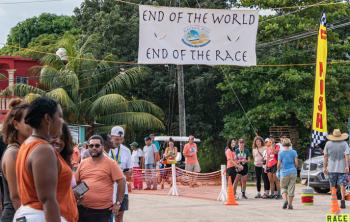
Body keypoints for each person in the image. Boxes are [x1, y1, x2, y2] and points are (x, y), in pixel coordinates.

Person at [14, 97, 78, 222]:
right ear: (47, 119)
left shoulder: (27, 144)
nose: (62, 121)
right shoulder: (43, 149)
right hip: (42, 216)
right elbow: (48, 199)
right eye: (59, 116)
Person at [75, 135, 125, 222]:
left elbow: (122, 181)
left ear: (102, 147)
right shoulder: (83, 163)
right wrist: (78, 196)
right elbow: (78, 182)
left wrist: (118, 203)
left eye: (97, 145)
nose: (94, 148)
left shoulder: (111, 163)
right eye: (91, 146)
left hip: (102, 212)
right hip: (83, 209)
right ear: (88, 147)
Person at [1, 99, 32, 222]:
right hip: (16, 215)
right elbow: (16, 197)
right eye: (28, 120)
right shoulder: (13, 152)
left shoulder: (24, 150)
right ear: (16, 124)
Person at [109, 126, 131, 222]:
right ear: (111, 137)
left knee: (119, 216)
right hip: (108, 189)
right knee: (107, 216)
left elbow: (130, 173)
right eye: (116, 139)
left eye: (121, 139)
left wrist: (128, 173)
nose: (119, 141)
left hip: (122, 189)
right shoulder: (105, 150)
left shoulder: (127, 151)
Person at [323, 129, 350, 209]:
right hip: (342, 168)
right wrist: (347, 166)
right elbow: (347, 155)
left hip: (331, 168)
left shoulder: (328, 144)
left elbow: (325, 156)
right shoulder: (344, 143)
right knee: (342, 185)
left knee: (333, 185)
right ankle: (342, 200)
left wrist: (324, 167)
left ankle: (334, 201)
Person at [50, 123, 75, 187]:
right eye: (54, 136)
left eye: (62, 138)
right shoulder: (41, 160)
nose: (58, 141)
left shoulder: (64, 159)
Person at [277, 138, 298, 210]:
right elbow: (296, 163)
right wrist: (294, 168)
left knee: (283, 187)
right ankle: (290, 204)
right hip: (293, 172)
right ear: (290, 144)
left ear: (283, 144)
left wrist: (277, 171)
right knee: (291, 188)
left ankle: (285, 200)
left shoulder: (281, 153)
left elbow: (278, 164)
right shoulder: (294, 152)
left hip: (284, 172)